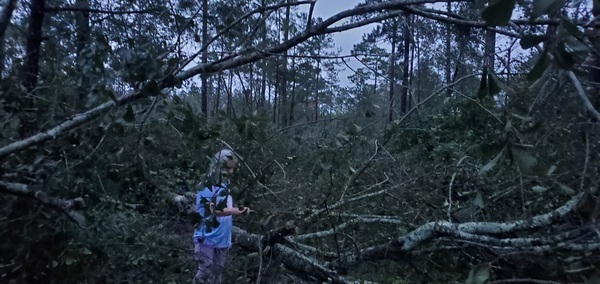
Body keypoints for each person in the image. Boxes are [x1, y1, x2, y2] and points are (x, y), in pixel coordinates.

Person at [192, 148, 252, 284]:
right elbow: (212, 210)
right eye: (226, 169)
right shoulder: (207, 185)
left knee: (217, 274)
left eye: (231, 169)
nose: (230, 172)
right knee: (205, 270)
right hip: (206, 237)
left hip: (222, 238)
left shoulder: (225, 184)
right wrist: (237, 211)